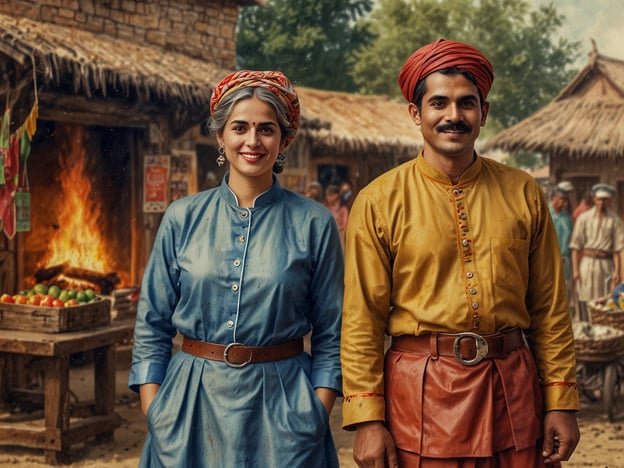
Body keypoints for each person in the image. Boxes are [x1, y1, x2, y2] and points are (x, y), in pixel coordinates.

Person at [340, 38, 580, 467]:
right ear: (417, 114)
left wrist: (561, 401)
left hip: (514, 391)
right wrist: (366, 420)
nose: (454, 115)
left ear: (483, 113)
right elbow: (362, 319)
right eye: (439, 103)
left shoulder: (523, 191)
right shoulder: (379, 200)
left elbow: (549, 308)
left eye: (467, 103)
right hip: (420, 397)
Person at [129, 70, 344, 467]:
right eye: (239, 127)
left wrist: (315, 412)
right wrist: (157, 411)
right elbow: (152, 325)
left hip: (285, 407)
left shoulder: (315, 223)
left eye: (266, 129)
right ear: (220, 136)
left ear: (284, 140)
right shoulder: (182, 218)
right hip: (189, 405)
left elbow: (333, 333)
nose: (252, 141)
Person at [570, 183, 624, 320]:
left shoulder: (615, 220)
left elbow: (618, 249)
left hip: (606, 265)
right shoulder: (584, 218)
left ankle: (601, 337)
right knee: (585, 298)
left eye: (605, 199)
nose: (601, 202)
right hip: (587, 265)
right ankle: (586, 331)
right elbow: (575, 247)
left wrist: (618, 272)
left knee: (604, 301)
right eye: (599, 199)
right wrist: (576, 271)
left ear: (609, 200)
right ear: (594, 199)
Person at [549, 184, 574, 308]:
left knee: (565, 292)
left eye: (565, 201)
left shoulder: (567, 217)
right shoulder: (545, 214)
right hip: (549, 260)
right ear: (554, 198)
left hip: (565, 260)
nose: (564, 203)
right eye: (562, 200)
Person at [324, 184, 349, 249]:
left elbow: (345, 225)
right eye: (327, 195)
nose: (328, 197)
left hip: (339, 237)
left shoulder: (343, 209)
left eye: (331, 195)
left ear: (337, 195)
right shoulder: (325, 207)